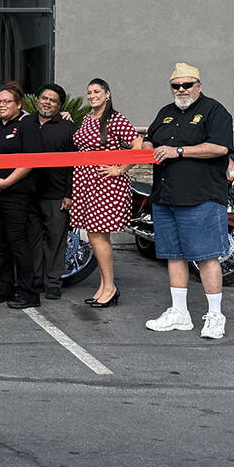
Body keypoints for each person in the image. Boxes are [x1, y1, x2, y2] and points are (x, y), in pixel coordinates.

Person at [143, 64, 234, 340]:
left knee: (206, 257)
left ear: (199, 85)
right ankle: (179, 313)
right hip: (166, 195)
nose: (181, 90)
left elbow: (220, 147)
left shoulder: (215, 111)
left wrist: (178, 151)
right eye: (176, 86)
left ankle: (216, 315)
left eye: (187, 85)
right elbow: (149, 139)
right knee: (174, 255)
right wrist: (147, 150)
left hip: (201, 197)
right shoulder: (165, 112)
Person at [70, 79, 142, 308]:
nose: (92, 95)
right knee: (94, 237)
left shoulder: (115, 119)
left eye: (97, 91)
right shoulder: (86, 119)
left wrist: (120, 168)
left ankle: (109, 287)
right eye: (89, 92)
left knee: (98, 237)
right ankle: (104, 286)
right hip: (86, 184)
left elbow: (137, 145)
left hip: (106, 185)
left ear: (107, 94)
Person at [0, 82, 44, 308]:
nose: (1, 105)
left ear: (19, 104)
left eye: (7, 101)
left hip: (16, 195)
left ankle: (29, 294)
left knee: (17, 243)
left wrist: (7, 182)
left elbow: (30, 161)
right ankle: (4, 288)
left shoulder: (28, 125)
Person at [33, 83, 78, 300]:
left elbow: (74, 165)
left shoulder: (68, 128)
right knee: (31, 239)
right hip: (29, 194)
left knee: (55, 241)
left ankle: (52, 283)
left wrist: (69, 194)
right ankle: (35, 280)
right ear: (38, 99)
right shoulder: (26, 123)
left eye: (52, 100)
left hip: (57, 195)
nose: (47, 102)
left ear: (60, 105)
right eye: (44, 98)